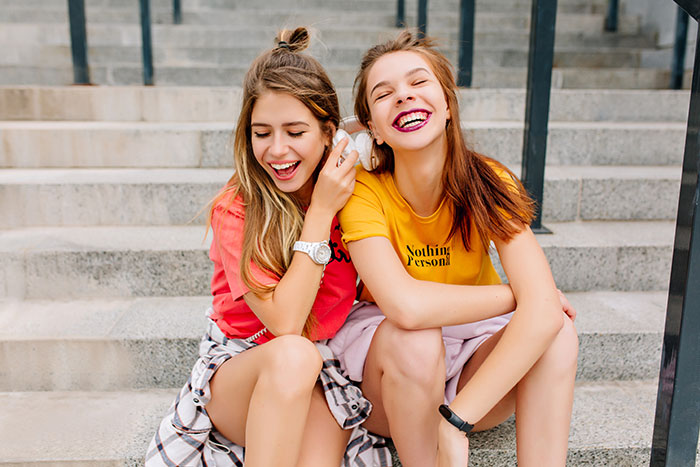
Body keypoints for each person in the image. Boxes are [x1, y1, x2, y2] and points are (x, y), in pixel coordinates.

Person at [327, 31, 579, 467]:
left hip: (472, 364)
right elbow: (406, 307)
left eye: (418, 83)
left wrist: (456, 421)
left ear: (447, 104)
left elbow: (545, 314)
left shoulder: (488, 180)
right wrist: (522, 294)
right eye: (383, 94)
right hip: (392, 370)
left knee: (557, 334)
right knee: (418, 339)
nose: (404, 97)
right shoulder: (364, 190)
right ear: (372, 129)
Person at [145, 27, 392, 467]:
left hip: (324, 368)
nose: (277, 150)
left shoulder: (356, 194)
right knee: (294, 354)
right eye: (262, 133)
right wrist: (319, 213)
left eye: (295, 131)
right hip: (244, 367)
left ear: (328, 135)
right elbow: (286, 323)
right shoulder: (238, 208)